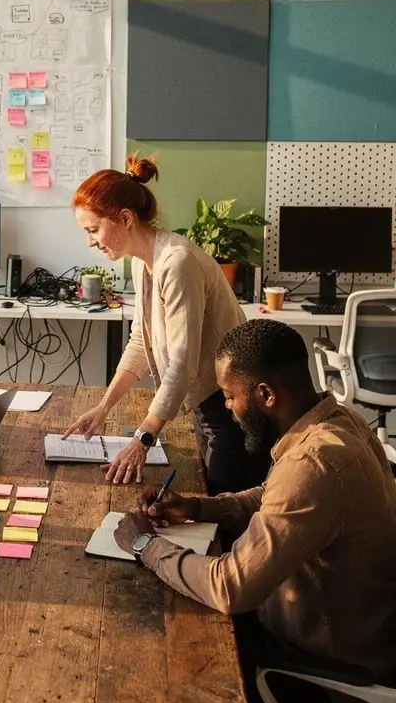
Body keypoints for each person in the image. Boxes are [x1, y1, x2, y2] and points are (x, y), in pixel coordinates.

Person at [76, 318, 396, 703]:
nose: (225, 404)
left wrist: (147, 547)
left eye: (230, 394)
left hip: (335, 688)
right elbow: (271, 500)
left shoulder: (318, 463)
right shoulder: (338, 424)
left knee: (154, 691)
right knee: (190, 648)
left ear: (267, 395)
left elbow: (230, 587)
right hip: (345, 648)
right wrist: (197, 505)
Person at [66, 159, 266, 494]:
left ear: (126, 218)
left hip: (231, 407)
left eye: (93, 229)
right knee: (211, 501)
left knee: (226, 511)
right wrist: (105, 406)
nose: (90, 242)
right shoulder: (145, 261)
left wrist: (143, 438)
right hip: (209, 402)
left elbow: (182, 361)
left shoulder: (177, 263)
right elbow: (138, 343)